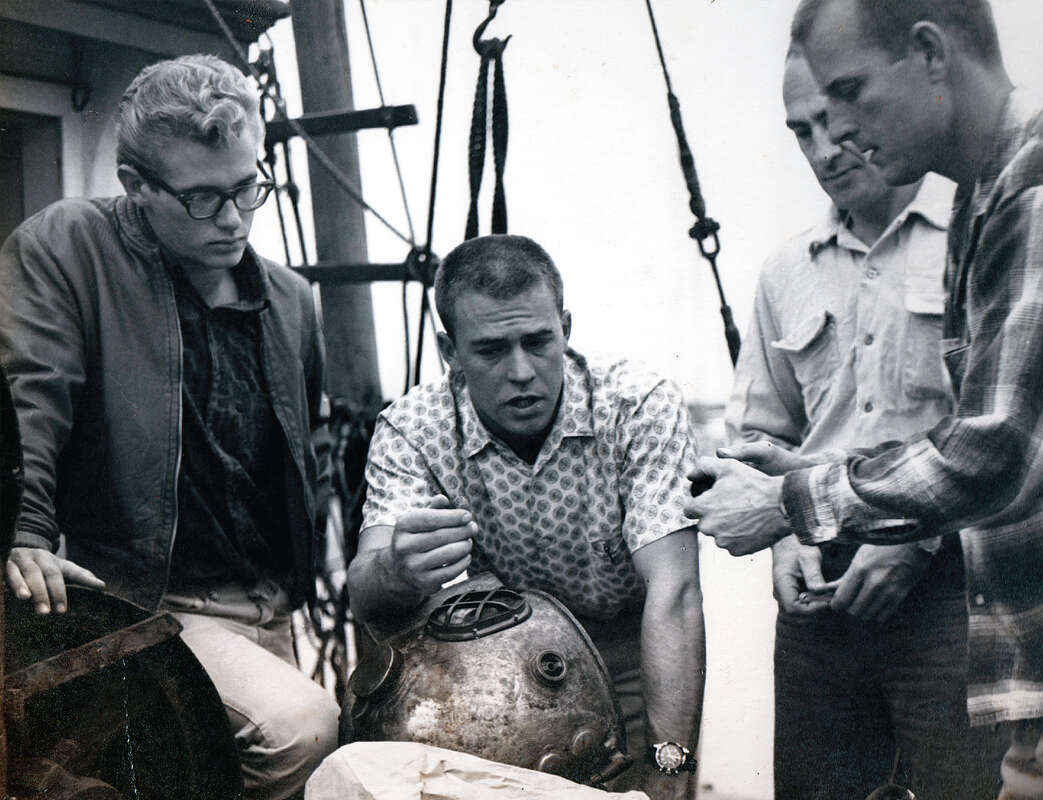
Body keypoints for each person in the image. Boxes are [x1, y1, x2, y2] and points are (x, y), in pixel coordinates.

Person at [685, 1, 1043, 798]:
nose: (840, 133)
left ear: (930, 54)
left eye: (851, 91)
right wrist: (795, 468)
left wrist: (792, 499)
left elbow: (996, 455)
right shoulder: (992, 193)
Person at [0, 55, 339, 799]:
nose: (233, 219)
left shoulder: (291, 301)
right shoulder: (68, 248)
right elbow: (33, 397)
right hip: (147, 603)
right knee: (303, 729)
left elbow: (306, 454)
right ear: (136, 186)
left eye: (249, 187)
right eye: (202, 198)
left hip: (274, 608)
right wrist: (22, 534)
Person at [724, 48, 1003, 799]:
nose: (823, 150)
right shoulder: (787, 270)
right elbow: (759, 437)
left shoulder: (975, 238)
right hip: (820, 598)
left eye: (833, 119)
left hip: (953, 594)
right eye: (800, 132)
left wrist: (918, 542)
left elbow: (1004, 437)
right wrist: (786, 545)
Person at [347, 234, 705, 800]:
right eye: (490, 350)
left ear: (566, 326)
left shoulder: (639, 405)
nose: (521, 371)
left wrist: (671, 770)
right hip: (485, 671)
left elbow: (675, 592)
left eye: (539, 341)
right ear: (450, 351)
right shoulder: (411, 429)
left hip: (631, 653)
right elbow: (365, 595)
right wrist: (397, 570)